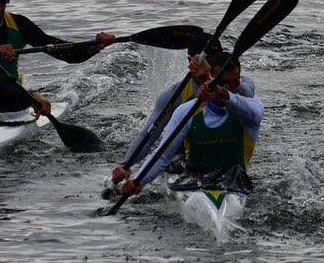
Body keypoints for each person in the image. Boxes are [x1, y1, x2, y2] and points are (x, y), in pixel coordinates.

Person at [108, 33, 256, 190]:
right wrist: (126, 164)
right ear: (190, 62)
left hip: (227, 153)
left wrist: (214, 77)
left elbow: (248, 95)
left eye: (212, 63)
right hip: (188, 153)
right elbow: (149, 134)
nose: (209, 66)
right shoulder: (175, 95)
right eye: (204, 62)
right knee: (175, 161)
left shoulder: (240, 85)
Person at [0, 0, 116, 113]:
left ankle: (31, 96)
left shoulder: (20, 24)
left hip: (11, 100)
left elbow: (66, 54)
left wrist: (96, 45)